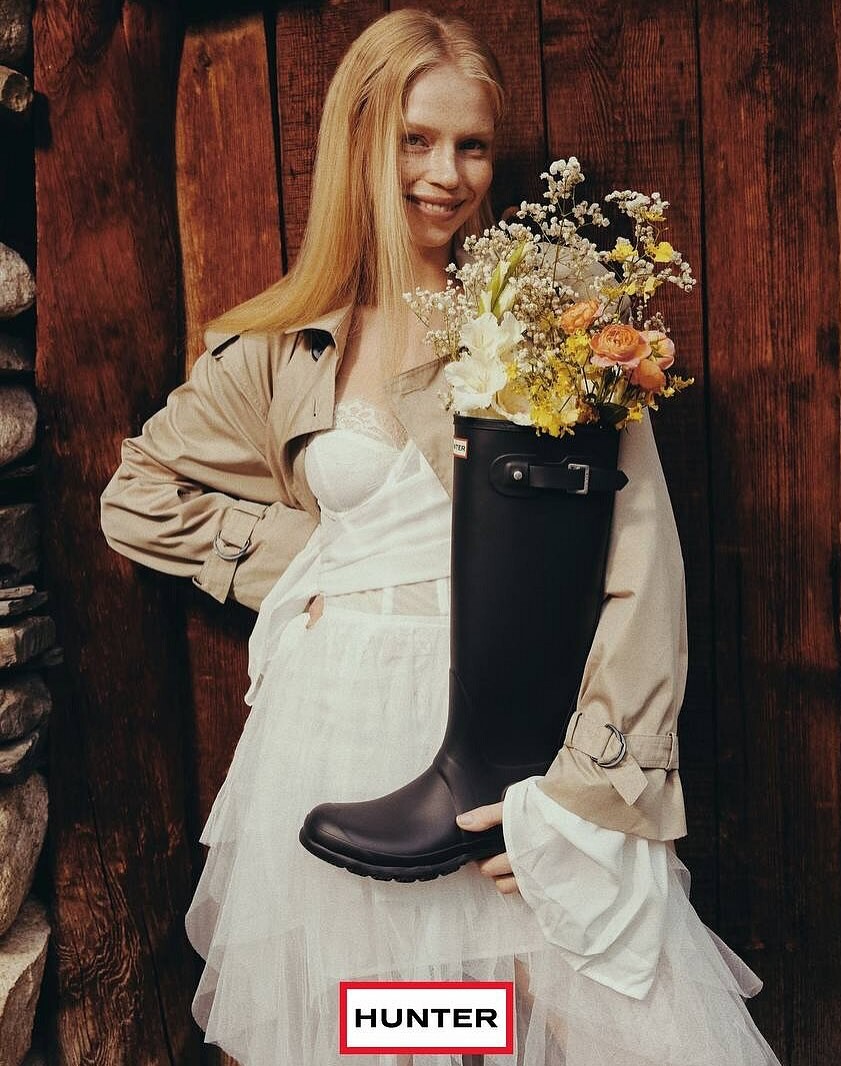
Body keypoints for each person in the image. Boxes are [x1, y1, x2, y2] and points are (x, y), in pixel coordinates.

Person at [100, 9, 782, 1065]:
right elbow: (139, 493)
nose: (446, 174)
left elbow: (642, 567)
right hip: (333, 720)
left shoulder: (556, 326)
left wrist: (591, 790)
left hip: (509, 737)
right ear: (359, 142)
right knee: (383, 1025)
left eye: (471, 145)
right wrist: (314, 566)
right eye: (415, 140)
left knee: (574, 1019)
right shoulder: (284, 345)